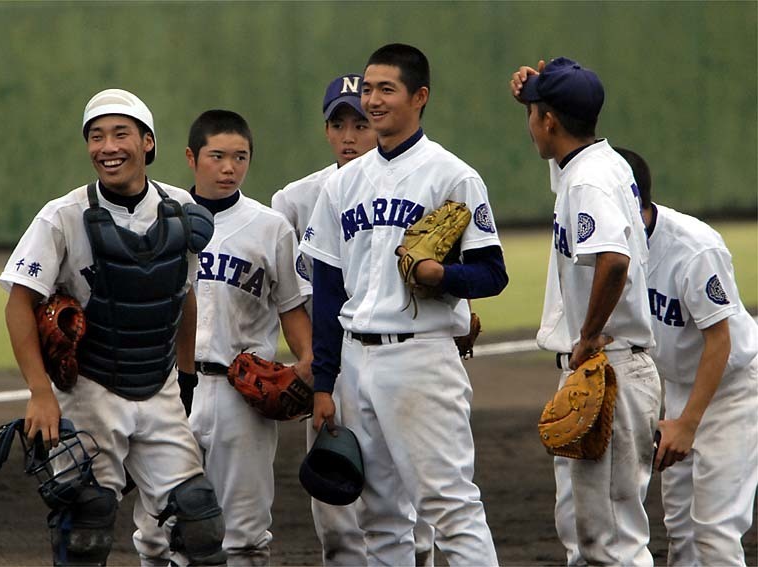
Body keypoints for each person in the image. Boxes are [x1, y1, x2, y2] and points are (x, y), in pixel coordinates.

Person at [0, 88, 226, 566]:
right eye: (96, 137)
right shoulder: (62, 215)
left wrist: (185, 378)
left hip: (158, 387)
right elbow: (20, 303)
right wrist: (40, 392)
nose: (107, 147)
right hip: (89, 388)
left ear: (148, 143)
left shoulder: (180, 208)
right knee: (88, 520)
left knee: (200, 520)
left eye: (121, 134)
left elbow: (182, 297)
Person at [300, 43, 507, 566]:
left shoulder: (451, 175)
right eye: (368, 89)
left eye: (385, 89)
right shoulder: (344, 183)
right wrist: (325, 382)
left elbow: (492, 273)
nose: (372, 100)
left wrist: (443, 275)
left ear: (420, 97)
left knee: (450, 507)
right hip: (355, 360)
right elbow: (327, 288)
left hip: (421, 358)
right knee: (378, 516)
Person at [133, 109, 313, 566]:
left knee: (245, 534)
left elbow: (291, 306)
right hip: (167, 389)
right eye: (218, 156)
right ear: (192, 158)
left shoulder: (270, 227)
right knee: (156, 533)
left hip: (241, 394)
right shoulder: (158, 218)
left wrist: (310, 361)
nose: (229, 167)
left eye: (240, 157)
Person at [272, 73, 437, 567]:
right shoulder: (295, 200)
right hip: (332, 368)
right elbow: (293, 296)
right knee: (338, 516)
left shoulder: (418, 181)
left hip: (400, 358)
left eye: (360, 124)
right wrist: (311, 360)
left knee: (412, 509)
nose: (349, 136)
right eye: (338, 124)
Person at [509, 59, 662, 565]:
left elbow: (613, 261)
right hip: (610, 367)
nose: (530, 121)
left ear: (549, 121)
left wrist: (588, 333)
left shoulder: (587, 182)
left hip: (610, 365)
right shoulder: (598, 163)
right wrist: (534, 95)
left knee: (613, 541)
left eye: (534, 113)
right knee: (587, 536)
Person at [615, 147, 758, 566]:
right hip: (678, 387)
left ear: (629, 198)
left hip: (731, 390)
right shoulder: (613, 246)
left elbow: (721, 341)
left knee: (714, 532)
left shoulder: (694, 249)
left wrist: (687, 425)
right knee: (682, 533)